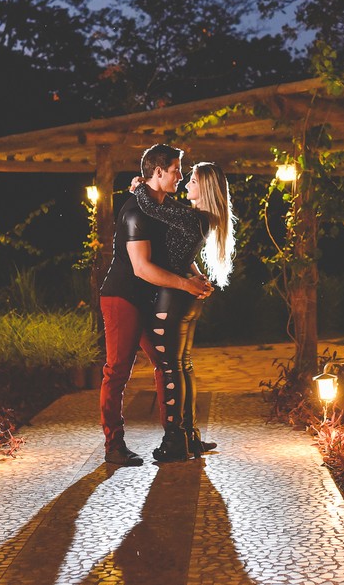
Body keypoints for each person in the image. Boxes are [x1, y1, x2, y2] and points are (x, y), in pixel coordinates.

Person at [98, 144, 214, 466]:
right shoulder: (136, 211)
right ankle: (114, 446)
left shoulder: (162, 207)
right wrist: (185, 284)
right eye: (176, 170)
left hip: (151, 296)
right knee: (117, 371)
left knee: (167, 365)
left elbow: (172, 256)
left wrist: (196, 275)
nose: (181, 175)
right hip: (123, 297)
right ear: (159, 172)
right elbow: (142, 268)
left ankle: (178, 436)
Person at [131, 161, 235, 462]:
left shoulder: (194, 217)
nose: (186, 184)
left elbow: (156, 210)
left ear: (205, 188)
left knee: (170, 366)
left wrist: (140, 189)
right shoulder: (200, 217)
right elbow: (169, 213)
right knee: (182, 365)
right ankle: (190, 435)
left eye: (192, 181)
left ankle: (175, 441)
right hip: (184, 296)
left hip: (174, 297)